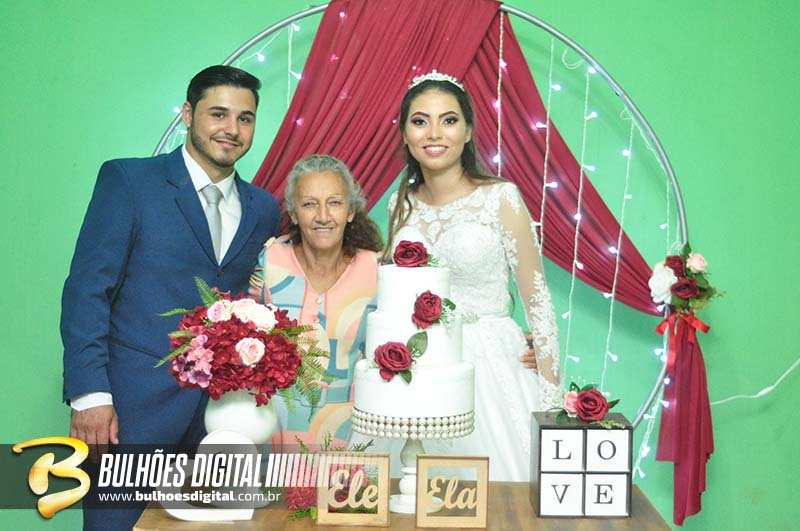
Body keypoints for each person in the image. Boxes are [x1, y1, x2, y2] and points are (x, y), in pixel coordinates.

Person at [61, 65, 281, 530]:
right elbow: (87, 289)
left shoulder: (263, 208)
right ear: (187, 114)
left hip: (221, 420)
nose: (232, 128)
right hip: (129, 413)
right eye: (218, 114)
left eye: (245, 118)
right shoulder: (129, 181)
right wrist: (89, 394)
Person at [385, 71, 562, 481]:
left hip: (492, 365)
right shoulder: (400, 204)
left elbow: (537, 299)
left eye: (448, 120)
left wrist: (552, 402)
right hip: (423, 365)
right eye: (420, 121)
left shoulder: (500, 197)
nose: (434, 133)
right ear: (405, 134)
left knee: (498, 494)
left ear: (467, 131)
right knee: (410, 490)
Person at [249, 154, 382, 448]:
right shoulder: (270, 261)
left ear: (350, 211)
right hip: (272, 429)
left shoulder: (375, 270)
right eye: (309, 204)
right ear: (294, 213)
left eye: (334, 203)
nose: (323, 216)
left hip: (348, 433)